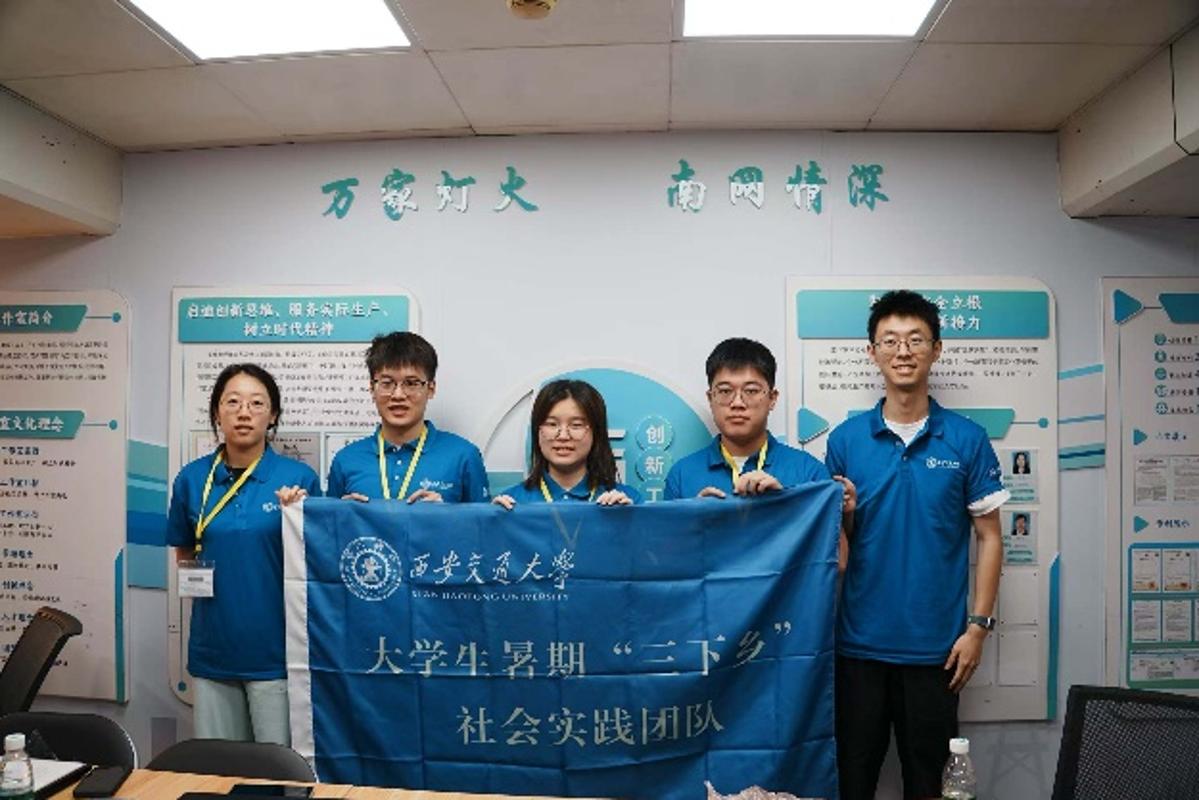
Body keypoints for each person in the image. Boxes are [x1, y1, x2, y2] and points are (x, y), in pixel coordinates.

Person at [826, 290, 1008, 800]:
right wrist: (846, 514)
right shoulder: (845, 441)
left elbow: (991, 536)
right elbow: (837, 549)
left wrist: (978, 628)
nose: (902, 351)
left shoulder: (967, 439)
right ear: (872, 352)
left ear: (936, 349)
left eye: (915, 339)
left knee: (929, 785)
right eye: (890, 340)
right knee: (852, 782)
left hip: (938, 652)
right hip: (859, 647)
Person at [166, 363, 321, 744]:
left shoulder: (298, 480)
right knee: (219, 768)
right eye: (232, 402)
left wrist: (297, 514)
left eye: (256, 403)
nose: (244, 412)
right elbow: (184, 547)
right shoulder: (191, 479)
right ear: (217, 412)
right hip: (213, 651)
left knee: (277, 768)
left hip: (277, 655)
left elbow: (318, 565)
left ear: (273, 415)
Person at [664, 337, 854, 516]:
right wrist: (695, 520)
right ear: (710, 398)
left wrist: (785, 504)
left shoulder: (809, 472)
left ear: (772, 398)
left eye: (751, 391)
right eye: (725, 391)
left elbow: (832, 540)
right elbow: (667, 541)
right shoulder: (681, 475)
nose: (737, 403)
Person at [326, 331, 488, 503]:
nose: (398, 395)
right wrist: (344, 513)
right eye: (387, 383)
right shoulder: (346, 459)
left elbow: (484, 520)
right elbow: (326, 519)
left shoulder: (463, 455)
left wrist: (445, 514)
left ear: (431, 389)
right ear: (372, 388)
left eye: (411, 383)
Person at [492, 379, 641, 508]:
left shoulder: (628, 501)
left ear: (596, 432)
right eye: (552, 424)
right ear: (537, 431)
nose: (563, 436)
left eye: (576, 425)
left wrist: (629, 520)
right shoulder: (514, 502)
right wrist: (495, 520)